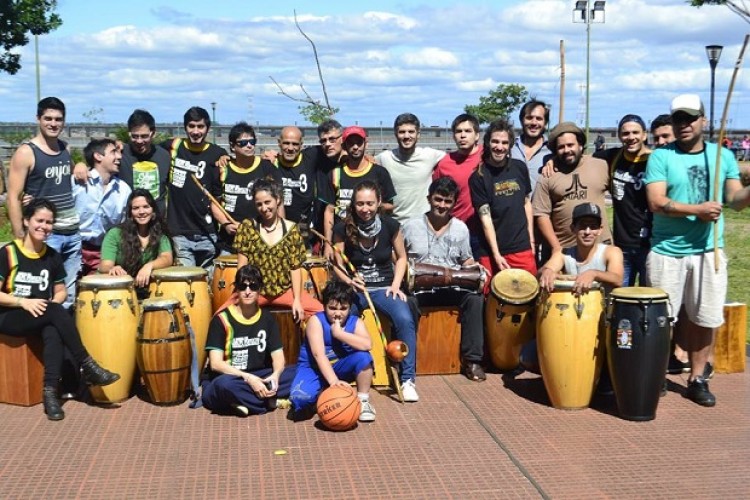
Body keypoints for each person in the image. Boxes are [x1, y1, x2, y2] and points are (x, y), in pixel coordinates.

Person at [644, 94, 750, 407]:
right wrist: (697, 210)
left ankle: (698, 378)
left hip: (708, 250)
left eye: (691, 117)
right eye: (678, 118)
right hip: (667, 251)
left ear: (704, 120)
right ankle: (655, 375)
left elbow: (735, 201)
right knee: (662, 319)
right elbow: (656, 201)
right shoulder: (661, 156)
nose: (684, 124)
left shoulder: (722, 156)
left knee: (705, 317)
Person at [0, 199, 120, 420]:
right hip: (9, 313)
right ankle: (88, 364)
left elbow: (61, 291)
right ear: (26, 221)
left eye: (49, 222)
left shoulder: (52, 256)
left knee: (53, 328)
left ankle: (50, 395)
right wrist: (22, 302)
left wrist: (52, 303)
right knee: (55, 313)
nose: (44, 226)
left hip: (40, 313)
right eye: (39, 221)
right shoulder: (8, 252)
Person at [332, 180, 419, 402]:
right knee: (342, 319)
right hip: (355, 289)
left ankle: (407, 379)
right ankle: (343, 371)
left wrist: (396, 285)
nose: (365, 209)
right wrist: (350, 281)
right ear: (353, 204)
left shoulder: (390, 225)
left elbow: (402, 258)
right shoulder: (342, 227)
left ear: (379, 202)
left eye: (370, 203)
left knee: (404, 318)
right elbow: (336, 264)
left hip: (384, 287)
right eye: (360, 204)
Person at [402, 177, 486, 381]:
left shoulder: (461, 228)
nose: (442, 205)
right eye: (438, 199)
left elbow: (466, 259)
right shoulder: (411, 226)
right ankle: (407, 359)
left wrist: (475, 268)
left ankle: (472, 360)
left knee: (475, 300)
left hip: (451, 288)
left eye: (448, 201)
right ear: (429, 199)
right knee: (407, 302)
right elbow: (399, 256)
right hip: (420, 288)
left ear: (454, 203)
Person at [7, 97, 81, 308]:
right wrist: (19, 235)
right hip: (46, 234)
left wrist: (81, 165)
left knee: (68, 295)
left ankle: (63, 328)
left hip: (72, 233)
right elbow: (13, 197)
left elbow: (72, 173)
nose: (53, 123)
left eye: (58, 119)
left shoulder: (65, 149)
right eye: (48, 118)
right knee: (41, 293)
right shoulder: (26, 152)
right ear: (38, 119)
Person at [201, 264, 296, 417]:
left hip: (260, 374)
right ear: (236, 290)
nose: (247, 291)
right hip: (231, 377)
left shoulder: (267, 318)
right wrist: (248, 378)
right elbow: (216, 364)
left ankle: (244, 402)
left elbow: (278, 357)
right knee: (223, 386)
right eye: (242, 286)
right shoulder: (221, 320)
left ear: (260, 290)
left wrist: (275, 376)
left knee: (298, 373)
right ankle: (269, 400)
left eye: (253, 286)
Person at [233, 179, 323, 321]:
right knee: (222, 316)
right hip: (254, 290)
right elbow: (241, 267)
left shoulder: (292, 230)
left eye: (267, 202)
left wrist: (297, 300)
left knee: (321, 312)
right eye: (259, 204)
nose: (264, 208)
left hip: (284, 291)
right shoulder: (247, 227)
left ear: (278, 200)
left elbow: (295, 268)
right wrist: (243, 292)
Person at [289, 281, 376, 421]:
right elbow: (318, 354)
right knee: (300, 399)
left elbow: (367, 344)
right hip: (313, 368)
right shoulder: (315, 321)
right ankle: (319, 394)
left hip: (339, 366)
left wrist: (340, 334)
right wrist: (334, 381)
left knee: (364, 358)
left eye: (343, 309)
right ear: (324, 306)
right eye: (332, 308)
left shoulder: (356, 322)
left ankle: (363, 401)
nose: (338, 313)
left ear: (350, 307)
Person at [532, 122, 612, 266]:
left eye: (570, 145)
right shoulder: (548, 174)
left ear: (580, 145)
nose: (566, 150)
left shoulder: (601, 165)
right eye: (561, 147)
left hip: (600, 249)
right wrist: (556, 248)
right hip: (565, 252)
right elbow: (541, 215)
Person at [469, 119, 536, 277]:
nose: (499, 147)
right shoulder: (478, 177)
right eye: (495, 141)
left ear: (510, 145)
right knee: (492, 291)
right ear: (488, 142)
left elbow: (526, 203)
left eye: (504, 143)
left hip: (521, 247)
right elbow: (485, 218)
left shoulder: (519, 167)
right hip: (491, 251)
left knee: (528, 288)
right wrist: (496, 254)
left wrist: (531, 240)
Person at [162, 106, 226, 270]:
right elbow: (146, 150)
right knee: (187, 280)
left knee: (209, 281)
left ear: (208, 128)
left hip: (208, 233)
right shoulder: (173, 147)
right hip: (179, 232)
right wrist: (121, 146)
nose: (196, 131)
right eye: (191, 126)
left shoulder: (218, 154)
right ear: (185, 127)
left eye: (200, 126)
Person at [593, 114, 652, 286]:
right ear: (619, 136)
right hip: (621, 245)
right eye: (625, 133)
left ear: (644, 135)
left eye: (635, 132)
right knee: (619, 295)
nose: (631, 137)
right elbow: (581, 160)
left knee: (648, 296)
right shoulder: (613, 156)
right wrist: (552, 162)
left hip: (649, 244)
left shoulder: (655, 160)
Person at [319, 126, 396, 257]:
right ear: (344, 146)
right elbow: (329, 211)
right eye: (351, 143)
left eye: (359, 143)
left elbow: (390, 206)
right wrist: (327, 244)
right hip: (342, 240)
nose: (355, 147)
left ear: (366, 144)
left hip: (372, 239)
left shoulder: (379, 172)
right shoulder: (335, 174)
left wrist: (368, 207)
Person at [217, 122, 282, 255]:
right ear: (232, 146)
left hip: (260, 241)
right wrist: (226, 224)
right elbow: (214, 202)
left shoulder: (266, 168)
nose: (249, 145)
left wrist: (278, 233)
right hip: (229, 241)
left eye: (252, 141)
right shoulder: (223, 169)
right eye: (243, 143)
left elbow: (278, 202)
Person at [73, 138, 131, 276]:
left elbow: (123, 226)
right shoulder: (77, 183)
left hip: (104, 253)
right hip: (75, 249)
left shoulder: (124, 190)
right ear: (98, 156)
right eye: (113, 152)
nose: (119, 157)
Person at [538, 202, 624, 294]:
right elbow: (542, 272)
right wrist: (547, 271)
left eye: (593, 227)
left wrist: (594, 274)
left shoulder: (611, 252)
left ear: (600, 230)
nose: (587, 232)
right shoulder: (563, 253)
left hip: (602, 302)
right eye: (582, 226)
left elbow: (618, 279)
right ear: (573, 228)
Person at [99, 189, 174, 294]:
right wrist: (113, 268)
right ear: (130, 213)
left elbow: (167, 258)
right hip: (118, 290)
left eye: (146, 207)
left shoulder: (160, 234)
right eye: (136, 208)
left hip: (147, 289)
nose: (141, 212)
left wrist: (149, 266)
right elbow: (105, 265)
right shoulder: (114, 234)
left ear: (153, 210)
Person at [375, 113, 445, 222]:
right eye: (402, 132)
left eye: (411, 132)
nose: (406, 136)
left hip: (422, 223)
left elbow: (456, 158)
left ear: (418, 134)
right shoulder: (384, 158)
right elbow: (365, 162)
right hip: (394, 223)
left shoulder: (430, 155)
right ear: (395, 134)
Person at [432, 113, 483, 256]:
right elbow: (436, 197)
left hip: (482, 231)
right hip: (454, 231)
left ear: (477, 135)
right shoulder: (445, 163)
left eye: (468, 131)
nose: (463, 135)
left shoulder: (487, 156)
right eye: (458, 131)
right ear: (453, 136)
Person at [118, 109, 171, 213]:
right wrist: (83, 166)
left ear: (153, 133)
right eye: (135, 136)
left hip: (157, 219)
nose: (139, 141)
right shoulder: (120, 154)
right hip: (129, 218)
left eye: (144, 136)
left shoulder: (164, 156)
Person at [511, 99, 553, 193]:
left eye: (539, 118)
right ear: (521, 120)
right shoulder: (510, 148)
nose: (534, 123)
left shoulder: (553, 151)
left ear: (545, 123)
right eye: (529, 118)